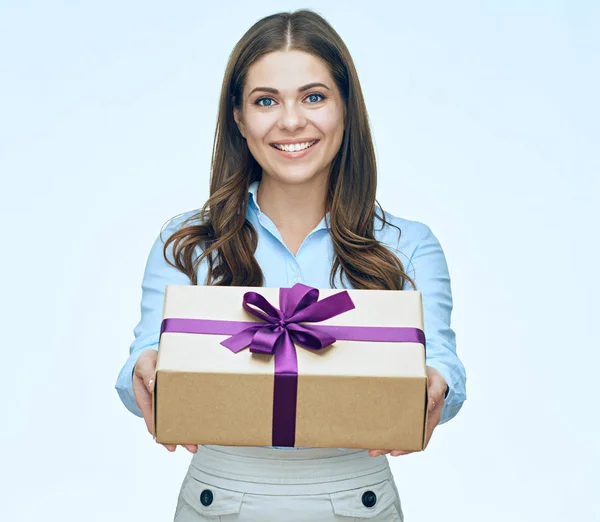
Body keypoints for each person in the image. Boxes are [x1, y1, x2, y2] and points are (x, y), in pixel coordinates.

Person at [115, 9, 466, 521]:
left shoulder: (407, 246)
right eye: (266, 101)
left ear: (346, 108)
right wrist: (143, 376)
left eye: (314, 96)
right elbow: (143, 358)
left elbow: (444, 364)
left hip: (356, 499)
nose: (291, 121)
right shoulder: (187, 242)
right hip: (220, 499)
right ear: (238, 116)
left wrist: (436, 385)